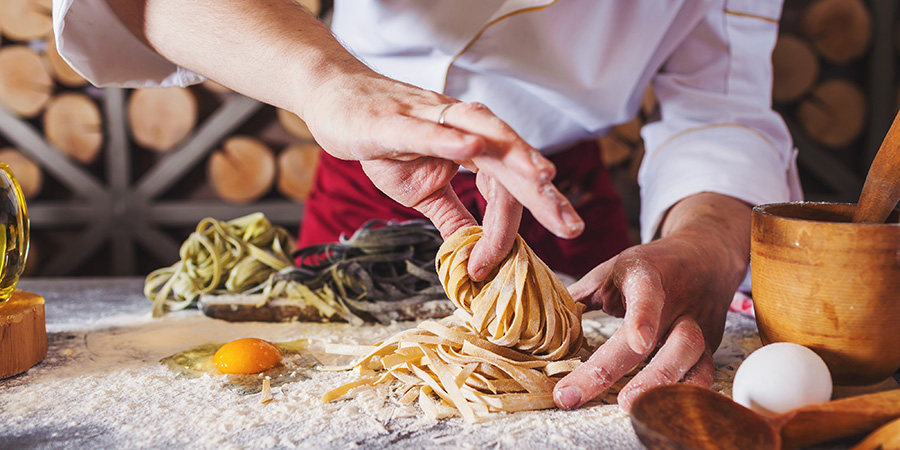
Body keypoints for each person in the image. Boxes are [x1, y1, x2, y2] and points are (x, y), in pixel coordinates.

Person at [52, 0, 801, 412]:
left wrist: (705, 245)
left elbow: (720, 104)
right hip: (373, 168)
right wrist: (327, 83)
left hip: (561, 202)